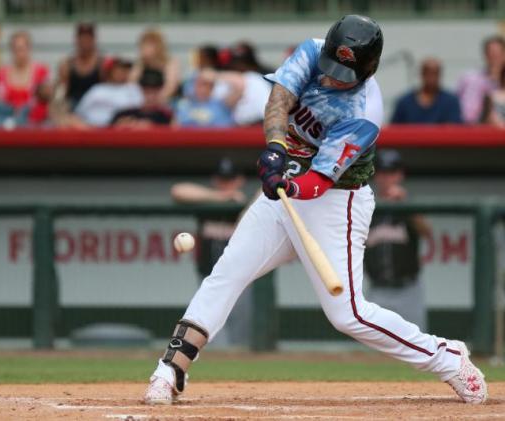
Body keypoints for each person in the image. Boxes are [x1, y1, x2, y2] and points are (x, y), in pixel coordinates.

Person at [144, 15, 486, 406]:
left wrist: (287, 184)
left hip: (336, 200)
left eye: (344, 73)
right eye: (331, 68)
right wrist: (275, 146)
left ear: (368, 68)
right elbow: (279, 100)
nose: (331, 79)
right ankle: (169, 370)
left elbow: (319, 181)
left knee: (348, 314)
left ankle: (448, 358)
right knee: (226, 272)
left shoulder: (364, 113)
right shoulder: (311, 50)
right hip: (286, 188)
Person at [170, 158, 250, 347]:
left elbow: (264, 193)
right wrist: (220, 197)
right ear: (215, 180)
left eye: (230, 180)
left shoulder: (248, 207)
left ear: (240, 180)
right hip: (209, 278)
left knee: (243, 339)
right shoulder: (207, 202)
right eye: (222, 179)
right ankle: (217, 374)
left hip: (242, 280)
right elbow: (178, 191)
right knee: (212, 335)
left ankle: (244, 373)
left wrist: (242, 204)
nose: (226, 184)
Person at [365, 150, 432, 330]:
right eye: (383, 172)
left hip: (408, 290)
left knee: (418, 348)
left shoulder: (409, 205)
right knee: (373, 352)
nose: (387, 178)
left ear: (400, 175)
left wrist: (405, 204)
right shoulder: (365, 205)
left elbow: (426, 232)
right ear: (376, 175)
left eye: (392, 173)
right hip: (377, 290)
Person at [0, 31, 51, 125]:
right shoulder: (1, 73)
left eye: (21, 49)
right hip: (8, 122)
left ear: (29, 48)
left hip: (34, 122)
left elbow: (46, 100)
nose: (19, 53)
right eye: (15, 49)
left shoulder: (41, 72)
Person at [71, 57, 142, 128]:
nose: (122, 72)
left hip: (123, 131)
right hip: (94, 130)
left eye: (125, 69)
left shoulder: (133, 88)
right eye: (118, 69)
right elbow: (79, 112)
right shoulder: (97, 89)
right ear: (109, 71)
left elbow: (140, 110)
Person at [391, 58, 462, 124]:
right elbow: (393, 130)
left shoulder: (451, 102)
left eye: (435, 73)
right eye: (428, 73)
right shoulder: (405, 102)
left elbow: (456, 130)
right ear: (422, 74)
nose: (432, 78)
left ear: (440, 75)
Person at [457, 35, 505, 124]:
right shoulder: (470, 79)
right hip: (473, 131)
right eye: (491, 53)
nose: (494, 57)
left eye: (497, 54)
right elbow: (464, 112)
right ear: (485, 54)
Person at [56, 23, 103, 110]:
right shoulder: (67, 65)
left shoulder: (102, 64)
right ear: (76, 40)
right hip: (74, 107)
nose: (85, 42)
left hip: (96, 107)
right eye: (82, 38)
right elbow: (61, 92)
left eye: (88, 38)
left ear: (94, 40)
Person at [175, 69, 241, 128]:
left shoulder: (222, 104)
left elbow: (240, 86)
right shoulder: (183, 105)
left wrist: (216, 76)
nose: (204, 89)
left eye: (209, 85)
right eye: (200, 84)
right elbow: (175, 128)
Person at [129, 29, 181, 102]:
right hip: (143, 102)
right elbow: (131, 84)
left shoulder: (170, 62)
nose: (144, 48)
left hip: (166, 101)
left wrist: (156, 100)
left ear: (158, 46)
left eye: (149, 44)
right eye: (143, 45)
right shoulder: (140, 63)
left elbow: (170, 87)